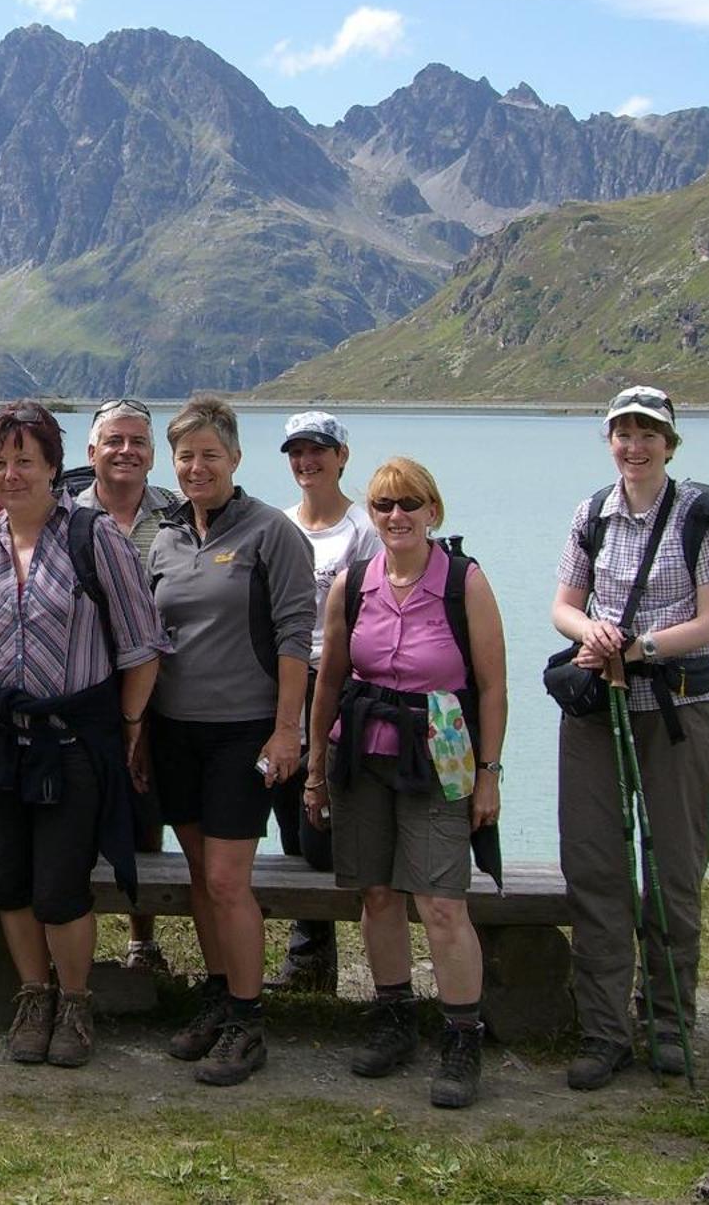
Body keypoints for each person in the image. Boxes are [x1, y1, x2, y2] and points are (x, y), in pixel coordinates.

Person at [0, 402, 165, 1066]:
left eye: (25, 461)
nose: (11, 474)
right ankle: (32, 995)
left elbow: (143, 647)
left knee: (61, 886)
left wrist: (125, 728)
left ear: (51, 467)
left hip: (70, 745)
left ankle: (74, 1002)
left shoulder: (95, 539)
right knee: (7, 878)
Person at [550, 386, 709, 1090]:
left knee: (673, 869)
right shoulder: (590, 513)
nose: (634, 446)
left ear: (670, 441)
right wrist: (592, 634)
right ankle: (603, 1030)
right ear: (609, 441)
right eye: (622, 433)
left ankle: (667, 1018)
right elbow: (563, 606)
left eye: (647, 433)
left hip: (678, 709)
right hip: (600, 705)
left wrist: (644, 647)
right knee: (595, 865)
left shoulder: (702, 517)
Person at [304, 457, 508, 1109]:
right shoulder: (353, 581)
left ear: (432, 512)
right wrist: (314, 770)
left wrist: (489, 775)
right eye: (385, 506)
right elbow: (330, 679)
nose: (397, 517)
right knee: (379, 894)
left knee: (443, 902)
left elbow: (493, 685)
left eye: (409, 505)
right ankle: (392, 1018)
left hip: (441, 754)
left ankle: (461, 1035)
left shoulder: (463, 582)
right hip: (361, 754)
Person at [143, 396, 314, 1086]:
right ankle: (218, 997)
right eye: (185, 456)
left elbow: (297, 637)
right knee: (198, 878)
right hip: (174, 730)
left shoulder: (272, 533)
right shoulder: (164, 537)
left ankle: (248, 1019)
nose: (196, 466)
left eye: (210, 454)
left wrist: (286, 729)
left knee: (226, 879)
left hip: (244, 732)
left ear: (236, 459)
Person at [272, 410, 381, 993]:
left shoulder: (363, 531)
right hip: (287, 680)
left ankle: (348, 939)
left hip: (342, 683)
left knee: (332, 820)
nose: (307, 461)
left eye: (318, 450)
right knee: (290, 812)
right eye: (297, 452)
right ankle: (310, 949)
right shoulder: (280, 525)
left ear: (342, 456)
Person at [71, 397, 178, 973]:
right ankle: (72, 934)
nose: (126, 451)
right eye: (114, 441)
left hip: (164, 692)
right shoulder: (64, 513)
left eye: (137, 442)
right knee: (76, 815)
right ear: (91, 453)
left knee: (146, 813)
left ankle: (142, 938)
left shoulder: (182, 513)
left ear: (153, 454)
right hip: (84, 688)